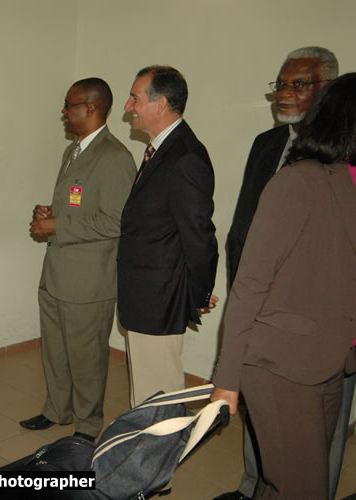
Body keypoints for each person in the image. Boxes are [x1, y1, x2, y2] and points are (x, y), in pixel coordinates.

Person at [211, 73, 356, 500]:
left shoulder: (348, 182)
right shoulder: (300, 181)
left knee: (283, 485)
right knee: (304, 488)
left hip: (331, 360)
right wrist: (227, 378)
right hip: (279, 366)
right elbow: (251, 285)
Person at [20, 78, 135, 441]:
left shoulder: (116, 157)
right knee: (55, 351)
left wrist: (57, 224)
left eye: (69, 105)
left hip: (88, 282)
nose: (63, 113)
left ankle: (87, 425)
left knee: (86, 359)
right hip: (57, 273)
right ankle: (57, 410)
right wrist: (49, 212)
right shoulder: (73, 152)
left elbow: (116, 221)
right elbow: (78, 205)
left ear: (90, 108)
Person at [118, 66, 218, 407]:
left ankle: (155, 460)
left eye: (135, 97)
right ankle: (144, 456)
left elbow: (199, 235)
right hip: (146, 295)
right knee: (146, 395)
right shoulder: (162, 150)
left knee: (158, 401)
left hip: (159, 300)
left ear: (160, 104)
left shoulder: (185, 157)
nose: (128, 106)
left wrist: (199, 292)